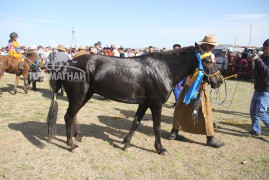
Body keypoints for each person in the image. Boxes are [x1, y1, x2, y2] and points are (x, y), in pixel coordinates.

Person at [168, 34, 225, 148]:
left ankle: (174, 133)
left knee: (182, 109)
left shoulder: (201, 55)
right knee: (204, 112)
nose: (212, 48)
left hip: (195, 86)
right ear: (205, 45)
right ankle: (210, 138)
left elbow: (210, 72)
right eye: (211, 45)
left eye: (213, 46)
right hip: (193, 88)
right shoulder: (203, 56)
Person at [249, 39, 269, 135]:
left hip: (266, 90)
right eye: (266, 47)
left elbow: (266, 72)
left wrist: (258, 59)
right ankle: (256, 130)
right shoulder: (260, 57)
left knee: (261, 112)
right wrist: (252, 61)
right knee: (253, 111)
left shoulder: (260, 58)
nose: (266, 49)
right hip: (257, 88)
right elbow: (254, 70)